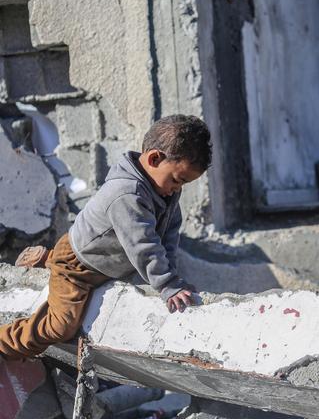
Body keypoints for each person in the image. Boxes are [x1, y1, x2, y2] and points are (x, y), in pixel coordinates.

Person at [0, 114, 212, 360]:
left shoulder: (164, 194)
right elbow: (143, 245)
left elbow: (168, 239)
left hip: (104, 263)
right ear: (154, 158)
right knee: (61, 326)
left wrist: (174, 281)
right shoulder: (126, 195)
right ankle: (6, 342)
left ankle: (45, 258)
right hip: (76, 267)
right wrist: (166, 284)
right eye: (177, 180)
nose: (177, 188)